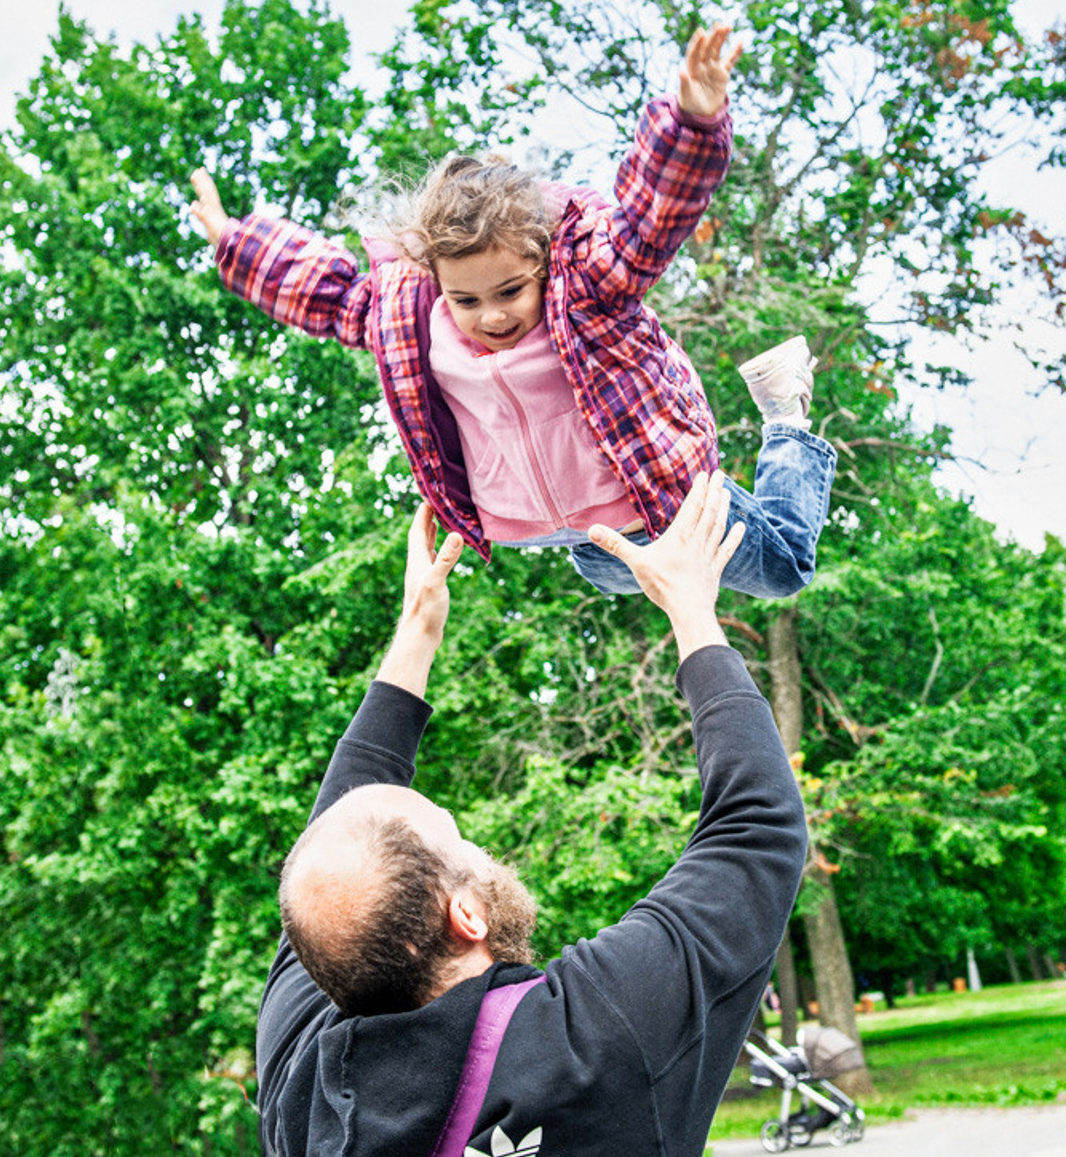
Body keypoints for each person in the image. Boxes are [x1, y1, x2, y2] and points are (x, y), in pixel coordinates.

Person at [255, 475, 809, 1156]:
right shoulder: (598, 1031)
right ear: (467, 917)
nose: (477, 845)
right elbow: (757, 830)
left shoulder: (301, 1093)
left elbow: (335, 860)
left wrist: (416, 637)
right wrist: (691, 609)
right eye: (460, 839)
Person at [190, 24, 836, 598]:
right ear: (435, 281)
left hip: (658, 500)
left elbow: (652, 221)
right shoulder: (410, 318)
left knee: (782, 571)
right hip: (568, 537)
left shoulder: (589, 283)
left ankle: (787, 422)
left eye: (509, 292)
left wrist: (691, 124)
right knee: (614, 578)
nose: (491, 316)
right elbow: (328, 296)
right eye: (466, 299)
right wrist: (236, 242)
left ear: (543, 263)